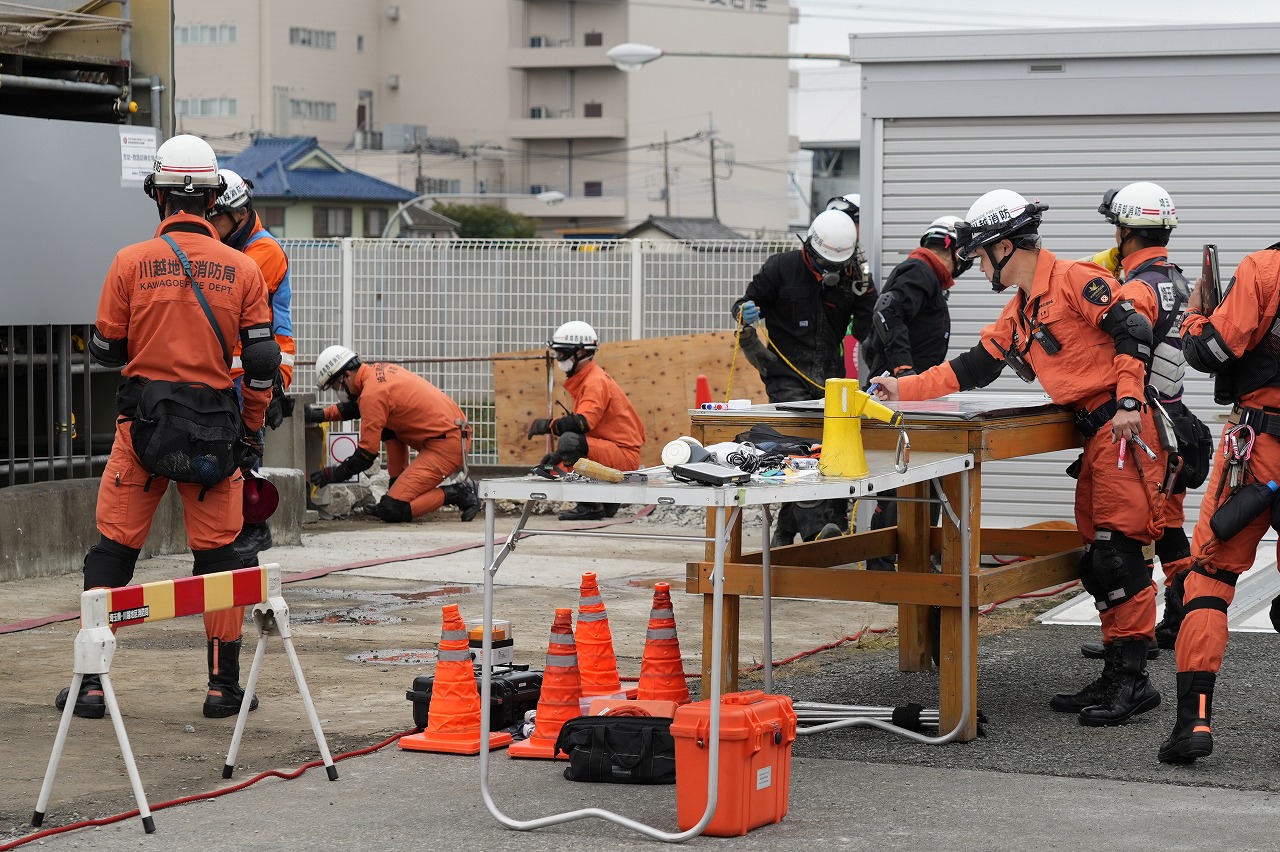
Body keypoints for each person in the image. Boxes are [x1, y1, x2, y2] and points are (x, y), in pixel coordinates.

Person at [872, 189, 1168, 727]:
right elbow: (970, 369)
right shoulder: (1021, 311)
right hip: (1097, 435)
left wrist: (1128, 400)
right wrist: (903, 388)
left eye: (981, 256)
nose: (978, 267)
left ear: (1005, 246)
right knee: (1098, 557)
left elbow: (1133, 328)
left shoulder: (1075, 279)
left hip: (1123, 429)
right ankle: (1118, 673)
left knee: (1117, 552)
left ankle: (1133, 679)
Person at [61, 134, 278, 720]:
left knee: (114, 550)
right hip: (215, 439)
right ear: (211, 199)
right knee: (221, 558)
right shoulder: (243, 269)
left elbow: (107, 348)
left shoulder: (129, 262)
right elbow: (261, 364)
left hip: (142, 432)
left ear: (158, 195)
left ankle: (90, 685)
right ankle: (222, 688)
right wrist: (249, 432)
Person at [1161, 228, 1280, 762]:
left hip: (1254, 451)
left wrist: (1194, 317)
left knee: (1211, 577)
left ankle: (1194, 723)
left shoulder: (1263, 269)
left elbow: (1211, 350)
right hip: (1258, 445)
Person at [1078, 182, 1208, 662]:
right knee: (1169, 525)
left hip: (1143, 427)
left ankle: (1133, 639)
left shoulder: (1136, 289)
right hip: (1177, 419)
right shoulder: (1180, 281)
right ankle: (1181, 619)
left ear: (1124, 232)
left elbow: (1127, 351)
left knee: (1124, 540)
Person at [731, 207, 877, 545]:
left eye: (835, 267)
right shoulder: (780, 268)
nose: (828, 272)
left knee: (831, 449)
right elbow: (745, 304)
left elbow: (866, 328)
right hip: (785, 373)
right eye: (823, 265)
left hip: (831, 376)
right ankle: (815, 532)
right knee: (799, 446)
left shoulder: (853, 277)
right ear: (808, 248)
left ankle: (785, 532)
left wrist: (865, 296)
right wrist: (743, 310)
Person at [860, 214, 971, 570]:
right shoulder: (920, 270)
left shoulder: (926, 277)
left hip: (911, 393)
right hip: (901, 394)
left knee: (920, 475)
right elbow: (886, 312)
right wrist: (903, 369)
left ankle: (916, 561)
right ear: (954, 249)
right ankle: (884, 565)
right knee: (899, 479)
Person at [209, 168, 296, 566]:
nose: (209, 223)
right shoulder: (238, 248)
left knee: (244, 448)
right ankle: (239, 530)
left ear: (238, 214)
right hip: (241, 367)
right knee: (233, 447)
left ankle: (254, 528)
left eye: (215, 217)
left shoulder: (262, 253)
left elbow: (225, 296)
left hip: (258, 367)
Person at [305, 346, 479, 523]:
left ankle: (459, 492)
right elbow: (357, 407)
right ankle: (396, 488)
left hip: (447, 446)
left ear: (347, 375)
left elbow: (366, 455)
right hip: (450, 435)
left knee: (392, 509)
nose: (338, 392)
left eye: (336, 386)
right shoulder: (377, 374)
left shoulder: (372, 394)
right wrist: (320, 415)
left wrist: (335, 474)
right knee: (387, 428)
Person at [525, 321, 646, 521]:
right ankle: (606, 503)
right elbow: (588, 431)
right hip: (610, 450)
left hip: (623, 456)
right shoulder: (587, 379)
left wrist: (547, 426)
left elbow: (582, 424)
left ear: (581, 352)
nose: (559, 358)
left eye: (562, 352)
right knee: (552, 469)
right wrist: (557, 456)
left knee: (569, 442)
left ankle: (588, 505)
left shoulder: (594, 382)